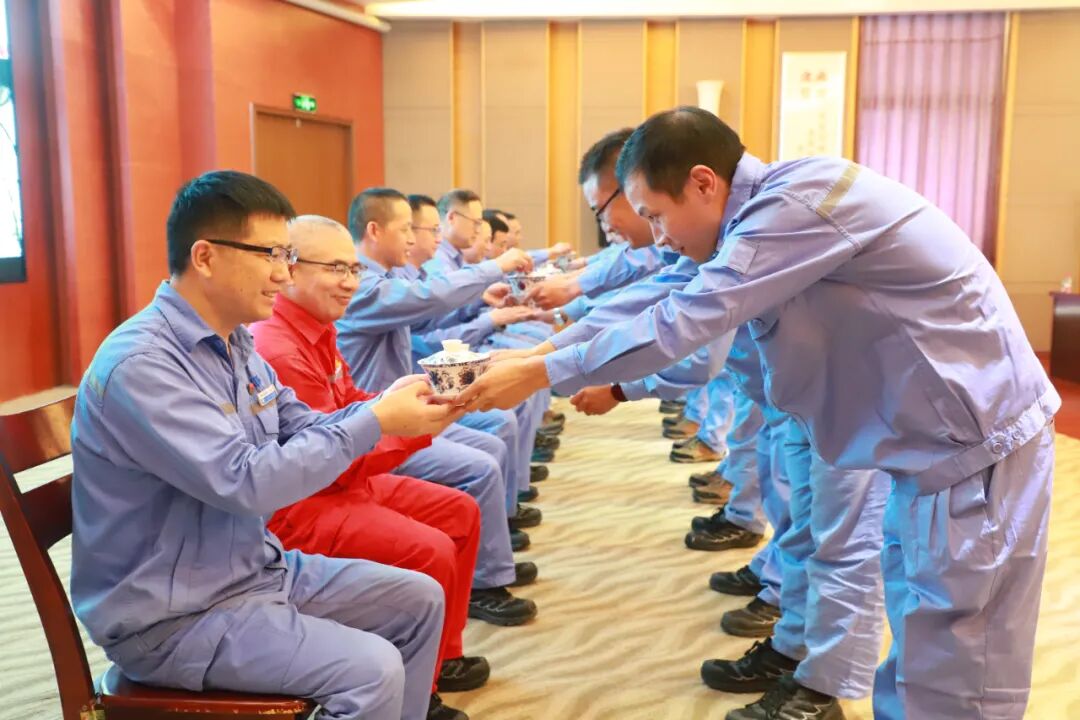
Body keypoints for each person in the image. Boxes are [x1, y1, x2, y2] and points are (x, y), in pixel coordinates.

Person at [461, 106, 1058, 720]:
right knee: (921, 642)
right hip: (924, 447)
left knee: (959, 664)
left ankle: (824, 679)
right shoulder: (754, 217)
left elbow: (688, 316)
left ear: (702, 182)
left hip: (973, 448)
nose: (658, 237)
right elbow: (662, 291)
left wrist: (537, 373)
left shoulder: (798, 202)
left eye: (656, 216)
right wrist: (535, 354)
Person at [71, 170, 461, 720]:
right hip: (173, 616)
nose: (283, 273)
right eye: (270, 254)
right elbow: (247, 482)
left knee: (419, 599)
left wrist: (389, 408)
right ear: (205, 257)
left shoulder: (235, 344)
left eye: (287, 255)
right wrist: (376, 419)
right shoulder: (143, 364)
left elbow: (302, 424)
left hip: (251, 571)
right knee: (372, 670)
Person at [250, 214, 494, 706]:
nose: (349, 282)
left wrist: (406, 399)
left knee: (460, 512)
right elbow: (326, 456)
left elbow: (349, 407)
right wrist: (411, 425)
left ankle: (442, 657)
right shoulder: (275, 345)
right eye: (335, 268)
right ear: (289, 269)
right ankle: (420, 694)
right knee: (429, 548)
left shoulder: (316, 327)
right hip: (302, 502)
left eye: (354, 269)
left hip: (338, 481)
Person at [336, 187, 540, 625]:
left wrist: (482, 299)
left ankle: (491, 552)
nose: (415, 238)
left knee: (492, 441)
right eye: (407, 228)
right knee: (482, 460)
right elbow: (427, 302)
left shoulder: (385, 278)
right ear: (374, 231)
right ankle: (486, 580)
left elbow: (428, 310)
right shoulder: (361, 286)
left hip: (399, 407)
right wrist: (492, 273)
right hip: (379, 424)